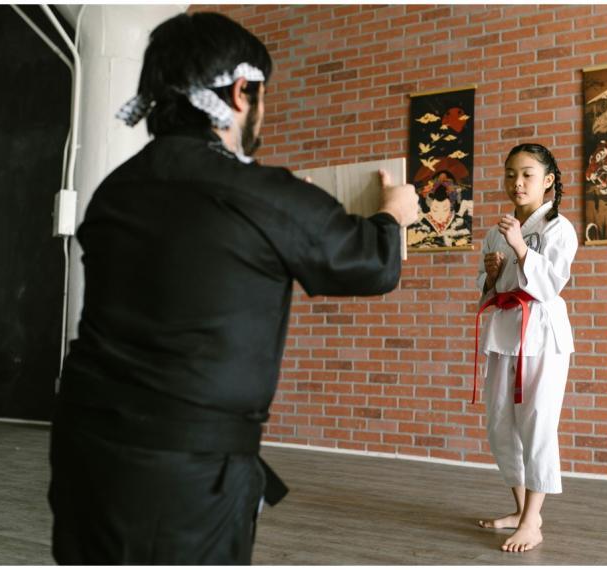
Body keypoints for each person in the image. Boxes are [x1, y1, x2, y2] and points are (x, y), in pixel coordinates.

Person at [47, 12, 418, 565]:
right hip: (183, 472)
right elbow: (372, 265)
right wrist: (393, 216)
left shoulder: (115, 191)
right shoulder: (264, 196)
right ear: (242, 92)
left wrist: (281, 201)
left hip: (84, 446)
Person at [473, 143, 577, 552]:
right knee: (500, 424)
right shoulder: (494, 231)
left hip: (542, 337)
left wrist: (519, 248)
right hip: (504, 334)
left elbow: (550, 285)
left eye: (528, 174)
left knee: (537, 424)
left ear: (548, 181)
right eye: (511, 174)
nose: (517, 182)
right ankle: (519, 509)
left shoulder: (558, 228)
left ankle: (533, 521)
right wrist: (491, 276)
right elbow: (487, 290)